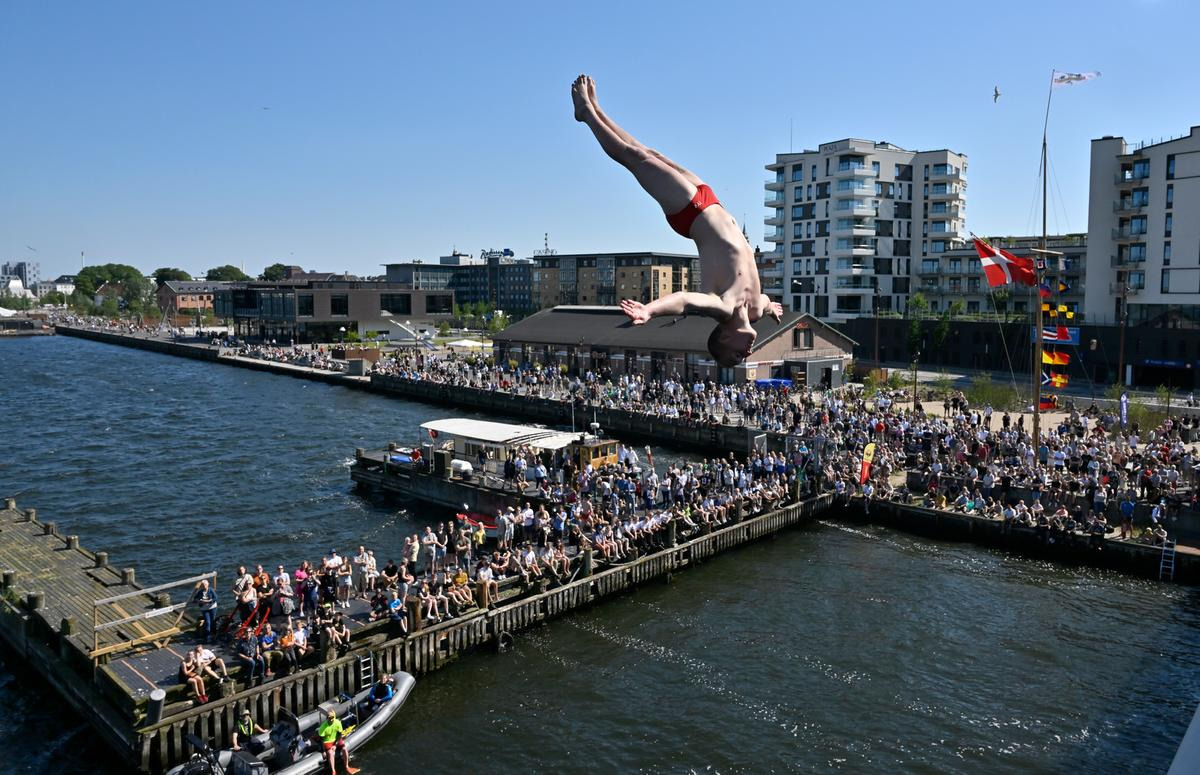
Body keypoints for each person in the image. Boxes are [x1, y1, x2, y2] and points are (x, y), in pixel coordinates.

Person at [571, 74, 782, 367]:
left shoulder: (721, 306)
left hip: (690, 213)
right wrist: (773, 309)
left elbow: (683, 299)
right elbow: (768, 301)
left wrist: (649, 311)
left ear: (723, 336)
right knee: (648, 152)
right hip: (711, 201)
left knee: (633, 158)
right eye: (744, 357)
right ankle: (595, 108)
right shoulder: (757, 308)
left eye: (737, 354)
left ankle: (588, 115)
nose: (747, 352)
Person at [316, 708, 360, 775]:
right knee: (330, 753)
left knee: (344, 749)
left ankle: (347, 767)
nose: (330, 719)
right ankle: (333, 771)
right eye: (329, 718)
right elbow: (321, 740)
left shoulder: (338, 723)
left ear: (334, 717)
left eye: (332, 717)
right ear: (327, 718)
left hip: (336, 739)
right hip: (327, 741)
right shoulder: (323, 727)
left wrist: (335, 745)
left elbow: (339, 735)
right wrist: (323, 751)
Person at [191, 579, 218, 644]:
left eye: (205, 584)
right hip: (204, 608)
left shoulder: (211, 590)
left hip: (212, 607)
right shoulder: (200, 592)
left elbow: (216, 598)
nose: (204, 586)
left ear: (208, 584)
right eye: (203, 585)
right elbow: (195, 599)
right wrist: (199, 601)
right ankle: (208, 636)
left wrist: (209, 601)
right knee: (207, 622)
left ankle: (214, 634)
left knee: (213, 621)